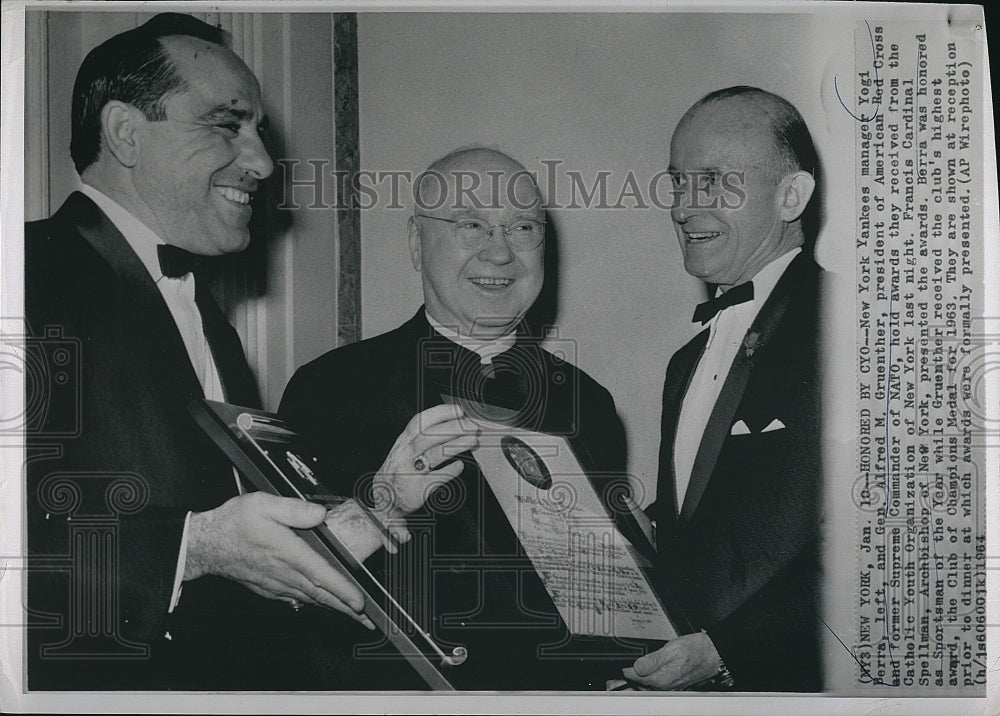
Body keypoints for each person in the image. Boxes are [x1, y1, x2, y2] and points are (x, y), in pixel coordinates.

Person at [24, 13, 470, 690]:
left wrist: (380, 502)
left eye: (258, 131)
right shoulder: (19, 274)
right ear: (124, 133)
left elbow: (252, 550)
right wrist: (194, 548)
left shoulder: (209, 320)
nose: (262, 162)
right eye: (226, 123)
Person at [279, 147, 636, 690]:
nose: (500, 254)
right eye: (472, 225)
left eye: (523, 228)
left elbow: (597, 605)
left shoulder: (589, 403)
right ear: (416, 244)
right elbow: (289, 588)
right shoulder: (327, 388)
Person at [623, 87, 825, 691]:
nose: (685, 207)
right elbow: (713, 521)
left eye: (714, 182)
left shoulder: (861, 324)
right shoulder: (685, 363)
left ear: (791, 195)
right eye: (679, 183)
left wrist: (726, 650)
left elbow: (885, 541)